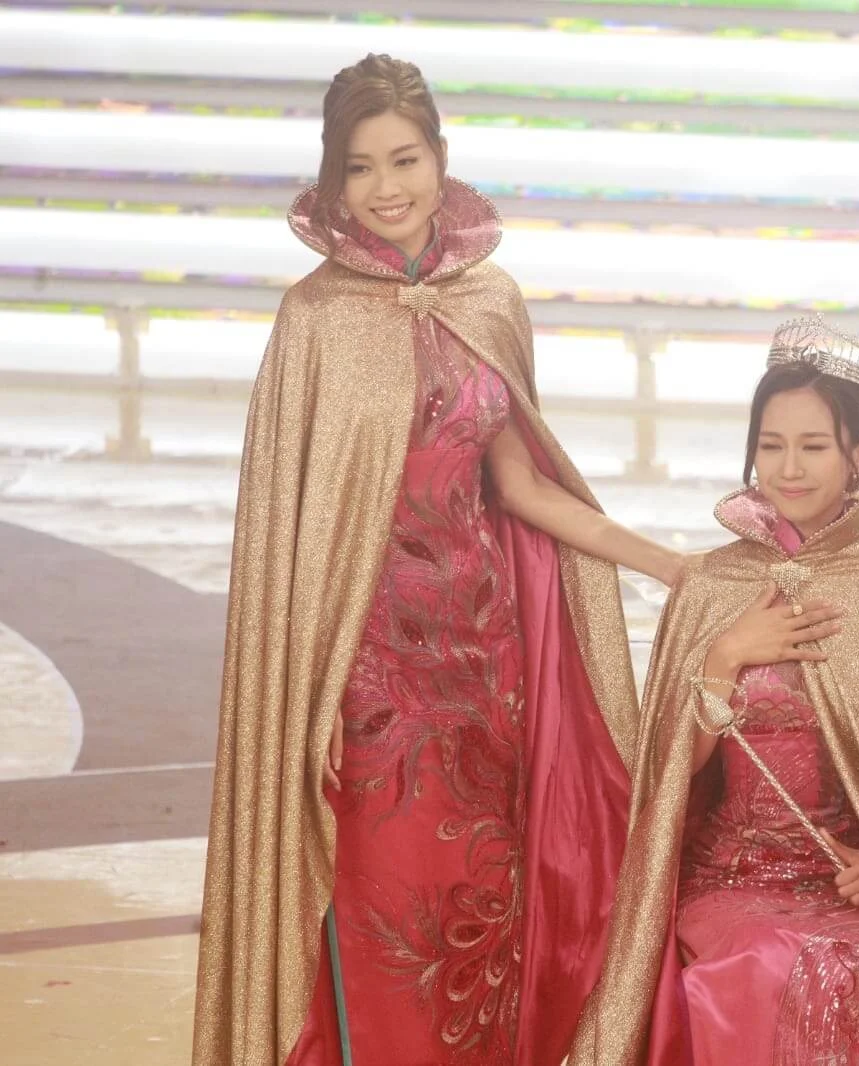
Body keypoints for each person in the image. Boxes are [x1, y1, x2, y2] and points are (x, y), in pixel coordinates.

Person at [190, 54, 680, 1066]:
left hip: (485, 676)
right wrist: (314, 692)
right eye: (361, 166)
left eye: (404, 159)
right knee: (385, 924)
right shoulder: (314, 319)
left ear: (441, 160)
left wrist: (671, 565)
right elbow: (294, 538)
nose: (387, 187)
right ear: (333, 180)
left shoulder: (489, 299)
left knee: (478, 921)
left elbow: (525, 487)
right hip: (368, 685)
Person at [568, 315, 859, 1065]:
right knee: (763, 964)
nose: (789, 468)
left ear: (858, 455)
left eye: (814, 446)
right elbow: (665, 775)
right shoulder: (711, 586)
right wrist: (725, 656)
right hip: (728, 879)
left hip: (851, 887)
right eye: (771, 445)